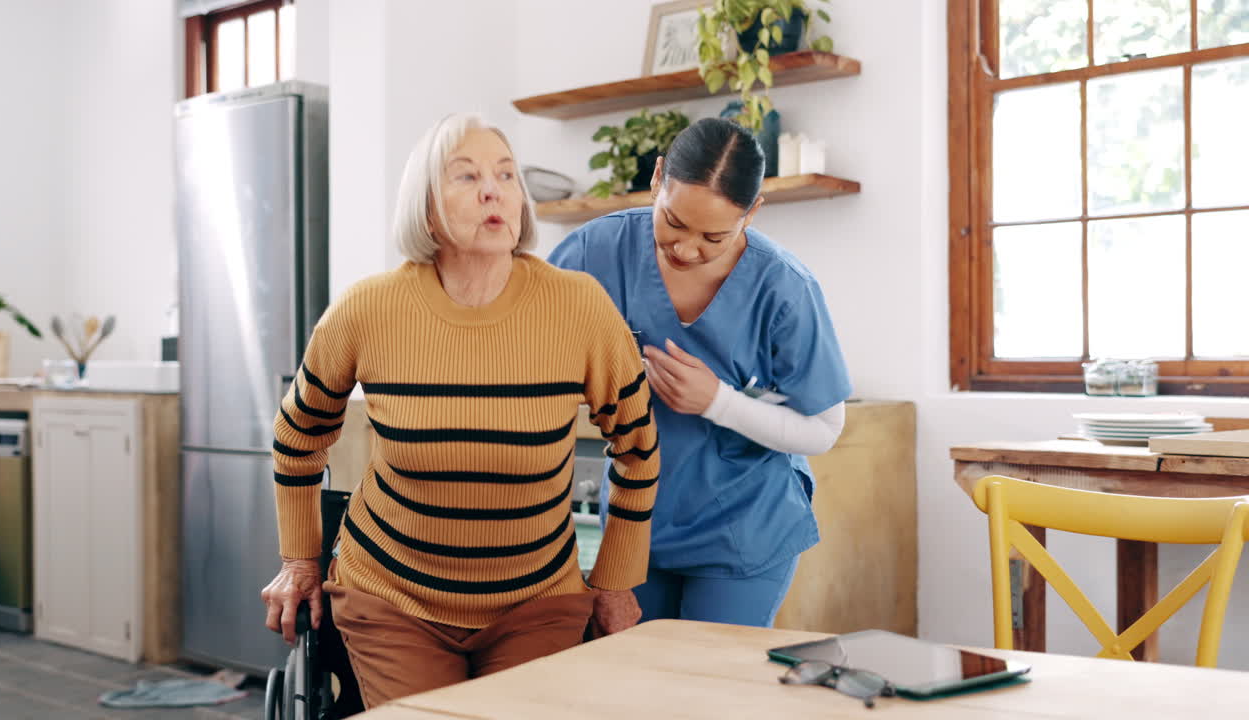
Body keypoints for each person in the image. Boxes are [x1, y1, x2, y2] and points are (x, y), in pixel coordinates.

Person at [260, 113, 660, 707]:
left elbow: (637, 448)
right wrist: (300, 561)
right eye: (466, 176)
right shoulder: (369, 309)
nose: (493, 189)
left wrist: (614, 581)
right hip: (393, 598)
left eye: (505, 175)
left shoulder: (578, 308)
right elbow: (299, 435)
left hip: (536, 601)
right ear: (426, 208)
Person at [548, 117, 849, 628]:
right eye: (673, 223)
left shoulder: (783, 288)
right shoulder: (593, 253)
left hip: (743, 526)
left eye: (714, 236)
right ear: (658, 178)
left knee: (712, 692)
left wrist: (717, 402)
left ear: (752, 212)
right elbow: (531, 362)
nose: (687, 250)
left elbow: (824, 429)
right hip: (634, 524)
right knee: (637, 690)